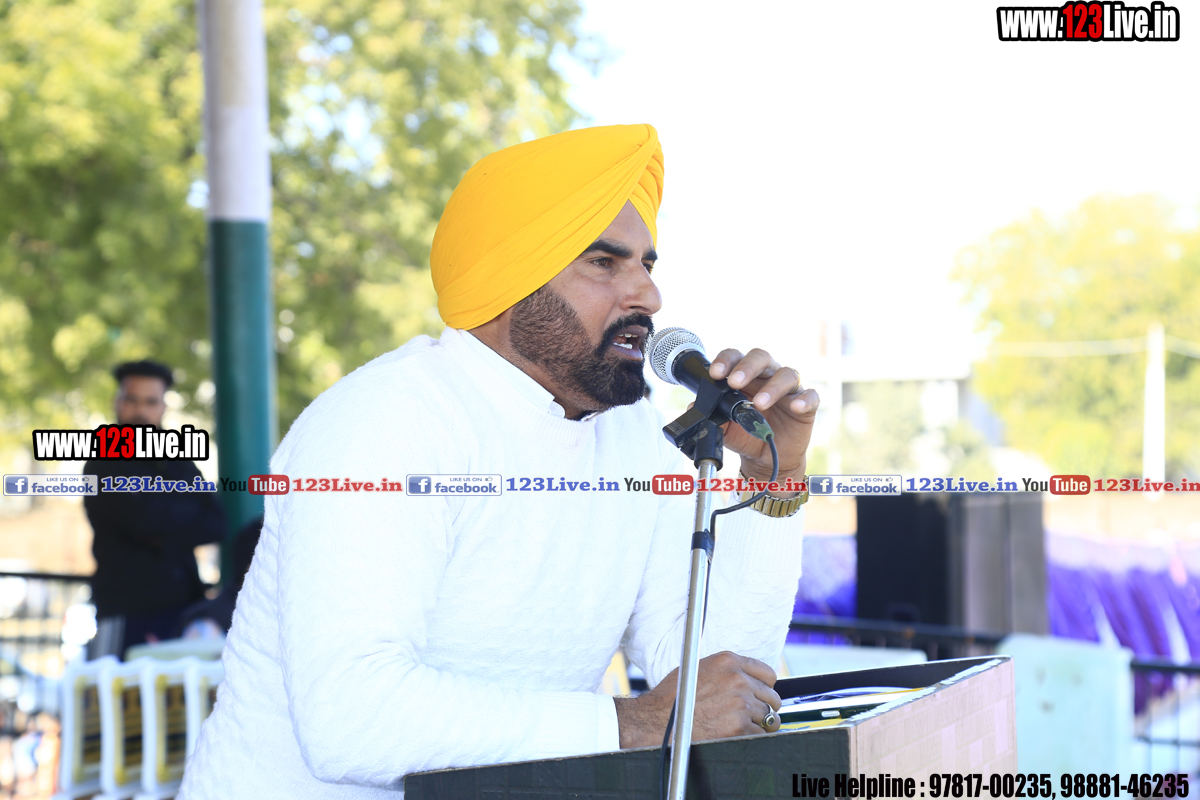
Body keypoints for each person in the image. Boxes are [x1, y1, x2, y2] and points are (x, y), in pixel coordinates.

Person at [180, 124, 819, 798]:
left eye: (647, 266)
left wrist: (773, 477)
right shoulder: (385, 420)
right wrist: (630, 725)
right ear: (511, 279)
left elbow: (712, 678)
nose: (649, 296)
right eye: (605, 263)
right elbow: (351, 719)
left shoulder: (633, 435)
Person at [83, 360, 226, 659]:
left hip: (183, 609)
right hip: (125, 608)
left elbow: (214, 523)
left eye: (150, 402)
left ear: (163, 407)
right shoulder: (102, 461)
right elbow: (142, 518)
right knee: (114, 686)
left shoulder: (178, 458)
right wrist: (181, 511)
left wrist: (161, 516)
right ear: (117, 402)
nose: (141, 410)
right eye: (132, 400)